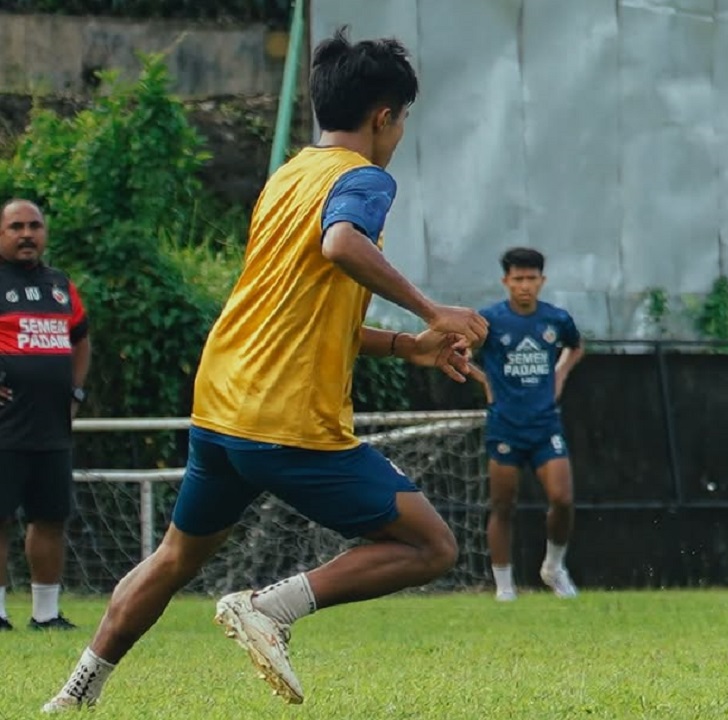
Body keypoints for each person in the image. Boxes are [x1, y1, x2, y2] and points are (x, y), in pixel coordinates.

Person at [42, 28, 488, 712]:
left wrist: (408, 344)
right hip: (283, 421)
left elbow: (296, 313)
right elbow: (342, 244)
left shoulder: (288, 176)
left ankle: (74, 695)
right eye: (401, 121)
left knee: (174, 557)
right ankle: (269, 609)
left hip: (222, 407)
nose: (399, 135)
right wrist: (433, 310)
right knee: (432, 545)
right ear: (383, 117)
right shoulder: (363, 178)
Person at [466, 248, 586, 601]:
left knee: (562, 499)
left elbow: (576, 346)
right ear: (506, 281)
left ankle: (554, 567)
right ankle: (504, 586)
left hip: (545, 423)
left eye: (531, 278)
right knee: (503, 504)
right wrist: (484, 381)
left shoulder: (555, 319)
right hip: (505, 424)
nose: (524, 285)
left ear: (542, 281)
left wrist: (560, 373)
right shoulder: (489, 320)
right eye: (518, 278)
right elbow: (459, 352)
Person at [0, 199, 91, 633]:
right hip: (5, 427)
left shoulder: (60, 285)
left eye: (34, 226)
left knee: (51, 518)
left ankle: (46, 614)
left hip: (53, 427)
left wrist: (76, 390)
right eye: (16, 226)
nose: (26, 234)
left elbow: (81, 339)